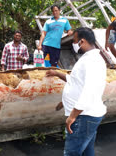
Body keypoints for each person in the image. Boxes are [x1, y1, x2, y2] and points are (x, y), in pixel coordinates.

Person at [46, 27, 107, 156]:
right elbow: (75, 81)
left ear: (82, 41)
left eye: (74, 40)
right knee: (86, 151)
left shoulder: (92, 61)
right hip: (85, 115)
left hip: (83, 116)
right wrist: (57, 73)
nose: (73, 44)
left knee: (72, 152)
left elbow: (89, 91)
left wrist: (72, 116)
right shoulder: (87, 59)